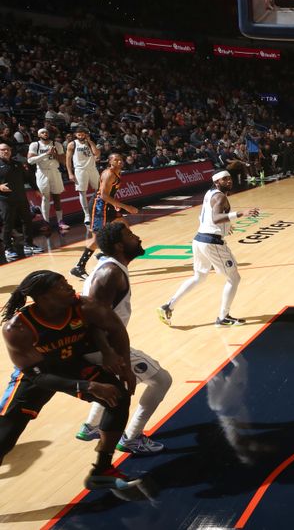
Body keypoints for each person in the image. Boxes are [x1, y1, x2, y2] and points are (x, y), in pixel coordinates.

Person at [0, 270, 140, 490]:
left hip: (72, 365)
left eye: (66, 281)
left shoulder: (84, 306)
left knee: (118, 397)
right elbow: (38, 376)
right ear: (45, 297)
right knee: (5, 435)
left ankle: (102, 469)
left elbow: (115, 328)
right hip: (36, 374)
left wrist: (124, 365)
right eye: (61, 286)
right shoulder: (17, 328)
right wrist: (88, 386)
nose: (69, 287)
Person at [76, 223, 172, 453]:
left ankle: (91, 426)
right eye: (130, 235)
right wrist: (113, 355)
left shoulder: (112, 267)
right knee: (161, 380)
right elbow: (94, 320)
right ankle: (131, 438)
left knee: (118, 382)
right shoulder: (111, 273)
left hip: (99, 345)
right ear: (119, 245)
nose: (137, 237)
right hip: (103, 346)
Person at [157, 170, 259, 327]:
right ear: (217, 182)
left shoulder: (210, 193)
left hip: (199, 239)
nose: (229, 181)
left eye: (230, 178)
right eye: (225, 179)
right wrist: (240, 213)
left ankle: (167, 306)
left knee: (199, 277)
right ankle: (223, 317)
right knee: (234, 278)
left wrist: (226, 226)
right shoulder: (220, 196)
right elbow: (216, 218)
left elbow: (204, 217)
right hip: (212, 242)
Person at [70, 153, 138, 280]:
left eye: (120, 159)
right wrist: (125, 207)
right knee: (97, 239)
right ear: (110, 162)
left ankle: (105, 254)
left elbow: (110, 194)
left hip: (108, 206)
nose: (119, 162)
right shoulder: (109, 174)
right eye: (116, 160)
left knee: (124, 228)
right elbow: (103, 196)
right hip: (99, 207)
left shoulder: (117, 172)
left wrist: (115, 204)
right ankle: (79, 267)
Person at [0, 143, 43, 262]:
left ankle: (28, 244)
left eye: (7, 149)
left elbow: (28, 177)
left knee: (27, 220)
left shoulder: (17, 164)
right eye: (3, 150)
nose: (6, 151)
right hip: (5, 200)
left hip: (21, 197)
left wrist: (36, 189)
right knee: (8, 224)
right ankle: (8, 248)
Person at [27, 128, 68, 232]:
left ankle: (60, 221)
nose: (45, 133)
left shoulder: (57, 144)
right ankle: (46, 222)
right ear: (38, 134)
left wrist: (55, 155)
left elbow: (63, 161)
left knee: (57, 197)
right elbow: (30, 160)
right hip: (42, 172)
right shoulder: (35, 145)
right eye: (42, 132)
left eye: (46, 132)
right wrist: (46, 154)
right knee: (45, 198)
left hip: (54, 171)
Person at [66, 127, 101, 225]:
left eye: (82, 134)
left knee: (99, 190)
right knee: (82, 192)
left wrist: (90, 142)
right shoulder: (72, 144)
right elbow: (68, 160)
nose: (81, 136)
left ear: (86, 134)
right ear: (75, 135)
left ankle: (99, 210)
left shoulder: (89, 142)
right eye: (79, 134)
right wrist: (70, 173)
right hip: (80, 170)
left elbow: (97, 153)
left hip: (92, 168)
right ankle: (87, 215)